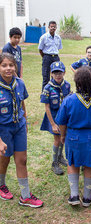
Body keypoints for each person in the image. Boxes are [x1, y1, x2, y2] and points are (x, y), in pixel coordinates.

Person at [55, 66, 91, 207]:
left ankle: (74, 195)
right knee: (90, 165)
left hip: (74, 136)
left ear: (76, 81)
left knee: (72, 163)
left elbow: (62, 122)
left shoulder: (69, 100)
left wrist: (63, 135)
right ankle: (87, 197)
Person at [0, 53, 43, 207]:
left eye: (11, 65)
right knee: (4, 159)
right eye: (4, 65)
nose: (8, 68)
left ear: (15, 67)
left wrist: (24, 121)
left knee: (22, 160)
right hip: (3, 129)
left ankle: (25, 196)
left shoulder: (20, 83)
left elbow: (22, 104)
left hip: (18, 127)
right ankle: (1, 185)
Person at [40, 61, 71, 175]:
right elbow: (47, 108)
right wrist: (53, 124)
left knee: (63, 136)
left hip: (64, 118)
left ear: (64, 73)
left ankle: (60, 156)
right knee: (57, 139)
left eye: (60, 72)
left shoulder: (67, 85)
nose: (58, 75)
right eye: (55, 72)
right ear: (51, 74)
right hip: (54, 117)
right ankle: (54, 163)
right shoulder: (48, 88)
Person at [38, 21, 62, 90]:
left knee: (56, 75)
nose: (53, 28)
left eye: (54, 27)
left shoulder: (58, 37)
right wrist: (45, 57)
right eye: (51, 27)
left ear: (56, 28)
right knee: (46, 76)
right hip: (47, 57)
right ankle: (45, 93)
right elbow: (40, 49)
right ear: (48, 27)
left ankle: (55, 91)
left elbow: (58, 48)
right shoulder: (44, 37)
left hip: (56, 57)